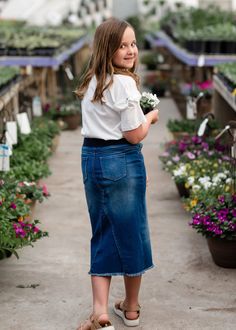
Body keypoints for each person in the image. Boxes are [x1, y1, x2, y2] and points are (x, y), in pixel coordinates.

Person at [76, 17, 159, 330]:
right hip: (121, 160)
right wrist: (150, 117)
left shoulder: (91, 81)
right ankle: (132, 308)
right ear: (107, 48)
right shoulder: (124, 84)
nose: (130, 50)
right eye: (122, 45)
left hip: (91, 158)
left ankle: (100, 312)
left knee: (102, 230)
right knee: (132, 230)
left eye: (133, 43)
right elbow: (134, 135)